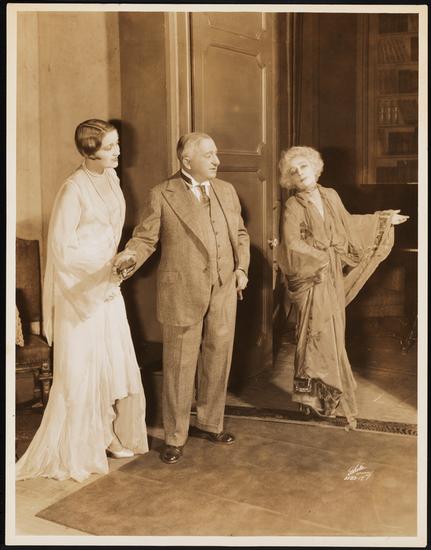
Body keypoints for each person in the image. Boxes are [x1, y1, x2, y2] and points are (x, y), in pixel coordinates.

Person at [16, 119, 149, 483]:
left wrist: (119, 263)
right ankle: (80, 445)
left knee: (110, 362)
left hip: (106, 287)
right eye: (110, 147)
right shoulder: (72, 189)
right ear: (89, 152)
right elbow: (62, 250)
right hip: (80, 292)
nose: (118, 151)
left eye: (117, 144)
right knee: (82, 367)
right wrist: (102, 268)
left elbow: (109, 233)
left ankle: (106, 434)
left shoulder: (111, 178)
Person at [113, 132, 250, 464]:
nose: (217, 160)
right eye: (209, 155)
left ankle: (211, 423)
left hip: (223, 289)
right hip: (182, 291)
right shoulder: (162, 194)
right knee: (179, 365)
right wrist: (129, 257)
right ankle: (175, 436)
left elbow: (240, 234)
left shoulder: (226, 191)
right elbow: (145, 239)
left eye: (216, 154)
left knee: (218, 358)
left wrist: (241, 269)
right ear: (187, 160)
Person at [278, 146, 408, 429]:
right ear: (290, 180)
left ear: (315, 168)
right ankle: (309, 400)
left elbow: (349, 224)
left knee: (333, 334)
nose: (300, 173)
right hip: (312, 277)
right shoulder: (293, 206)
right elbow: (291, 243)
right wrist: (321, 257)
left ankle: (328, 398)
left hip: (332, 276)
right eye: (294, 171)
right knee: (313, 334)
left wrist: (383, 220)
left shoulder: (331, 195)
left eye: (304, 166)